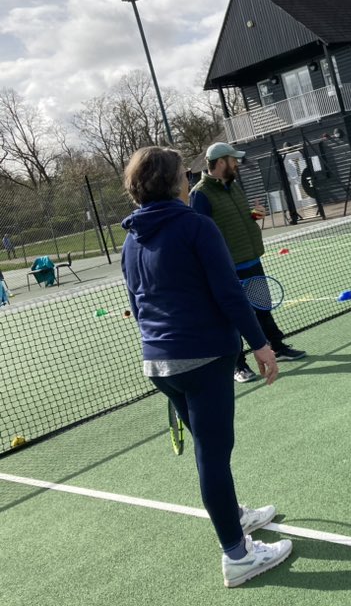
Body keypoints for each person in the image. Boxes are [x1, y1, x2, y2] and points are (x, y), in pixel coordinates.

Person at [120, 146, 292, 587]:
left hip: (159, 364)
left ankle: (234, 517)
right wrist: (261, 345)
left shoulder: (131, 239)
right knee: (213, 457)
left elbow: (137, 305)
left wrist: (164, 353)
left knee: (209, 451)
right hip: (202, 359)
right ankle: (237, 556)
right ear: (173, 182)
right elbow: (229, 293)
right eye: (184, 174)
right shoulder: (196, 226)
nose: (187, 179)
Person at [190, 142, 306, 383]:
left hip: (250, 259)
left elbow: (237, 220)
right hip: (227, 268)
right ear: (221, 162)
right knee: (232, 316)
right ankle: (238, 365)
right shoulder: (200, 194)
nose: (237, 165)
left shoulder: (234, 186)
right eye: (234, 161)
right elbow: (201, 233)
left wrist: (254, 216)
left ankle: (278, 348)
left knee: (262, 308)